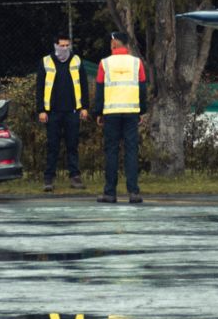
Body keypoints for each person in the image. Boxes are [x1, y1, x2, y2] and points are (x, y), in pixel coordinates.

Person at [94, 30, 148, 204]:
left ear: (114, 43)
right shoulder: (136, 63)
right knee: (131, 151)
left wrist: (98, 112)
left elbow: (100, 89)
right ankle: (134, 193)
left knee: (111, 152)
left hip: (111, 113)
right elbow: (142, 88)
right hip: (131, 112)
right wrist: (141, 111)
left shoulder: (105, 63)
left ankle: (110, 193)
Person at [37, 34, 88, 192]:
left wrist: (84, 107)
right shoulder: (46, 61)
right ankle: (49, 178)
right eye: (62, 45)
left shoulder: (76, 60)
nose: (65, 48)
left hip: (72, 111)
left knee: (72, 145)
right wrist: (41, 110)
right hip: (52, 112)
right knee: (53, 146)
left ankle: (75, 177)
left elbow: (84, 85)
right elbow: (39, 88)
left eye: (67, 46)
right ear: (55, 46)